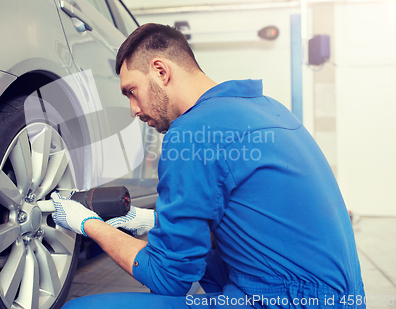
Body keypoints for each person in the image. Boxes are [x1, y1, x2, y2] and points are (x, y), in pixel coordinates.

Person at [51, 23, 365, 308]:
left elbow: (169, 279)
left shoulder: (192, 132)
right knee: (209, 262)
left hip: (287, 301)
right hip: (342, 298)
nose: (133, 109)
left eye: (132, 91)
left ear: (161, 71)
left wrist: (89, 225)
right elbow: (238, 208)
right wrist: (151, 220)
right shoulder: (268, 109)